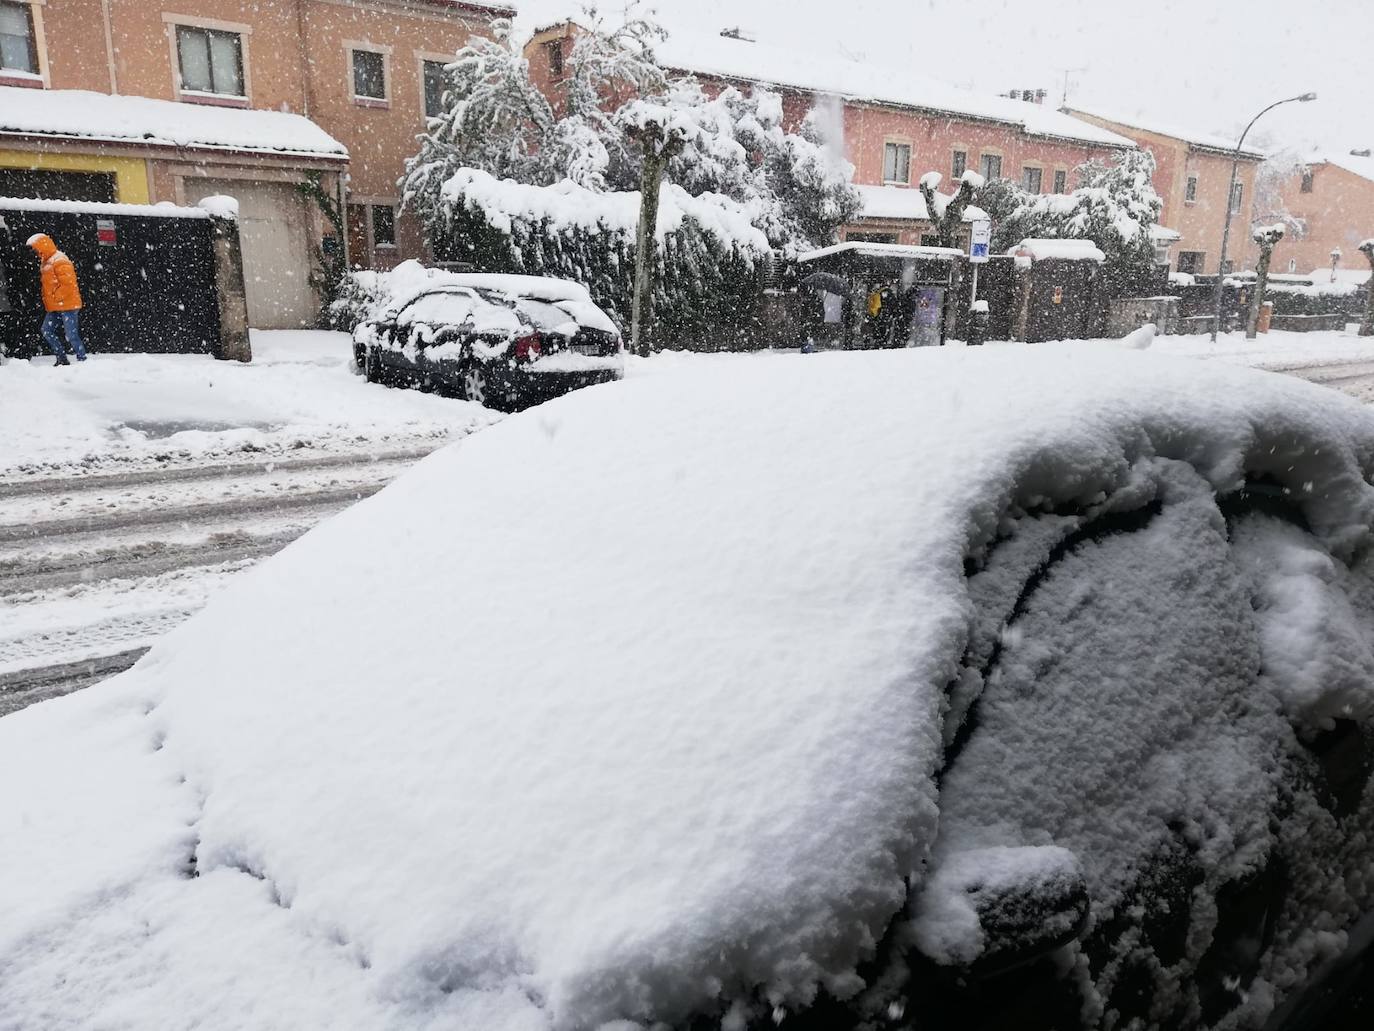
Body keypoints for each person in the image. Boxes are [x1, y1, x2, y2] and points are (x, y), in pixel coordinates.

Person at [27, 233, 87, 365]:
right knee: (46, 331)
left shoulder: (60, 260)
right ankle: (61, 358)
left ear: (42, 246)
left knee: (71, 336)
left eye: (36, 249)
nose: (36, 253)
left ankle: (83, 361)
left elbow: (68, 284)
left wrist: (55, 297)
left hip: (68, 305)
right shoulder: (46, 261)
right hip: (55, 306)